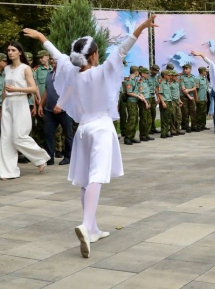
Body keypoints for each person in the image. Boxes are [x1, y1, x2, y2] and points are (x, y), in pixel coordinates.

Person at [23, 15, 157, 257]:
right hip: (101, 128)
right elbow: (123, 49)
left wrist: (42, 37)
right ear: (94, 55)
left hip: (82, 130)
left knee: (86, 179)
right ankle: (86, 225)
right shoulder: (103, 71)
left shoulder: (72, 72)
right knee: (96, 176)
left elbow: (56, 54)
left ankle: (92, 227)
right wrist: (140, 28)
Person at [0, 42, 50, 179]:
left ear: (20, 52)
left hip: (20, 101)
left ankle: (41, 158)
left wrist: (16, 89)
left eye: (13, 50)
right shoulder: (7, 69)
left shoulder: (25, 68)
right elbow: (5, 89)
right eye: (8, 50)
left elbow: (33, 89)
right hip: (8, 104)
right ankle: (7, 171)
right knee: (5, 138)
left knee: (19, 137)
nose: (10, 52)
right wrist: (2, 108)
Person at [39, 60, 73, 165]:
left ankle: (68, 157)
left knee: (67, 134)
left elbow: (69, 90)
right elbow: (46, 90)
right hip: (49, 110)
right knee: (48, 133)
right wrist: (40, 105)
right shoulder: (49, 74)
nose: (53, 61)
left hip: (64, 110)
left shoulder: (66, 75)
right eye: (52, 59)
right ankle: (49, 158)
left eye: (56, 60)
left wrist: (60, 104)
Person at [179, 63, 198, 132]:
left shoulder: (193, 77)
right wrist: (188, 94)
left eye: (186, 69)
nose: (185, 70)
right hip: (184, 97)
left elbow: (195, 87)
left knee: (193, 111)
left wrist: (189, 90)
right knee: (185, 112)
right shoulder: (181, 77)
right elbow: (183, 88)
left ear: (190, 69)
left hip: (191, 96)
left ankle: (194, 126)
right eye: (184, 69)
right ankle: (187, 126)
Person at [137, 67, 154, 142]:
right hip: (143, 102)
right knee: (144, 119)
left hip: (147, 100)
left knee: (148, 119)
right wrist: (146, 103)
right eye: (146, 73)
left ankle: (146, 134)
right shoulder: (140, 82)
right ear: (142, 74)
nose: (148, 75)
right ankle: (143, 135)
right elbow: (141, 93)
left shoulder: (146, 81)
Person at [158, 70, 173, 138]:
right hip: (165, 102)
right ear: (165, 76)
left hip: (169, 101)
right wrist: (163, 102)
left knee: (168, 118)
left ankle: (167, 131)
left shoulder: (167, 83)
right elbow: (160, 94)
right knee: (164, 118)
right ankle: (163, 133)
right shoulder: (161, 84)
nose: (170, 77)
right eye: (169, 75)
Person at [148, 64, 161, 135]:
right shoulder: (147, 77)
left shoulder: (155, 77)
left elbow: (156, 87)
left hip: (153, 97)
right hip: (148, 97)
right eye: (154, 71)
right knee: (148, 114)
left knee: (153, 113)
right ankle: (148, 129)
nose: (155, 73)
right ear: (151, 69)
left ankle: (153, 128)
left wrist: (158, 96)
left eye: (156, 71)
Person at [196, 66, 209, 131]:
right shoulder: (198, 79)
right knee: (199, 112)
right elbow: (196, 89)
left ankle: (203, 125)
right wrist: (196, 98)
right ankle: (198, 125)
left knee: (204, 112)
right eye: (205, 71)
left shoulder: (204, 79)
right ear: (202, 72)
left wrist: (206, 97)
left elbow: (205, 89)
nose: (206, 72)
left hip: (204, 98)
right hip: (199, 98)